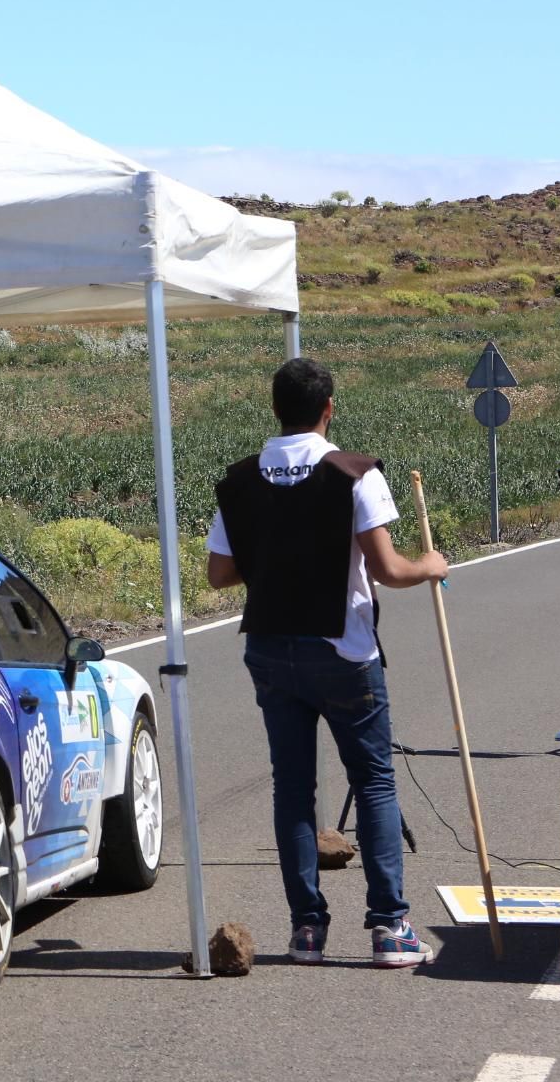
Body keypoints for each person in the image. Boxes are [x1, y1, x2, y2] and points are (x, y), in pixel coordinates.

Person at [205, 358, 449, 969]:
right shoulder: (353, 474)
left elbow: (219, 573)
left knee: (293, 788)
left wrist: (273, 555)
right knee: (374, 781)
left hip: (270, 648)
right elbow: (391, 571)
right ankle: (390, 928)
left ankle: (307, 931)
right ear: (329, 407)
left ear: (274, 408)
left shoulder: (239, 480)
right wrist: (433, 566)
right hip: (343, 652)